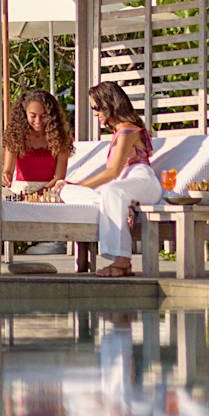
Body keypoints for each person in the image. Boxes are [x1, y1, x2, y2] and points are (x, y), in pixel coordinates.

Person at [49, 83, 160, 277]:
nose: (94, 113)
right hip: (122, 187)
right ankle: (112, 206)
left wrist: (78, 184)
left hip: (142, 180)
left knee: (111, 191)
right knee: (65, 191)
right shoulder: (118, 132)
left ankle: (122, 261)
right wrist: (68, 187)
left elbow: (113, 172)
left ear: (110, 104)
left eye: (96, 107)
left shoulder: (129, 130)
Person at [1, 89, 73, 191]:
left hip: (49, 192)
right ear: (24, 113)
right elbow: (8, 170)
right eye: (33, 116)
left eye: (43, 116)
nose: (38, 121)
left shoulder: (60, 137)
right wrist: (5, 177)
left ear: (51, 115)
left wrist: (41, 192)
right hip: (22, 191)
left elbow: (59, 177)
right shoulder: (16, 136)